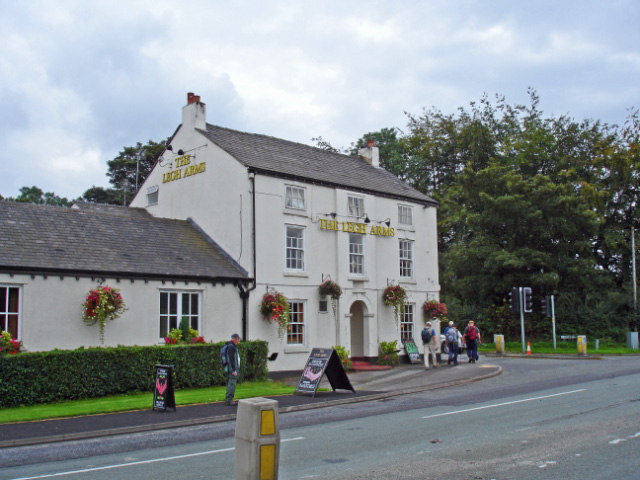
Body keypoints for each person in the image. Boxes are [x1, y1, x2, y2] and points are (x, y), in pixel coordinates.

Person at [224, 333, 241, 405]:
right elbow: (231, 359)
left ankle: (229, 399)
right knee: (232, 384)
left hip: (232, 368)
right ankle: (229, 400)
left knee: (231, 383)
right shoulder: (231, 347)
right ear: (236, 339)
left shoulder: (230, 346)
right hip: (232, 369)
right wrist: (234, 370)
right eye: (238, 339)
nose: (238, 341)